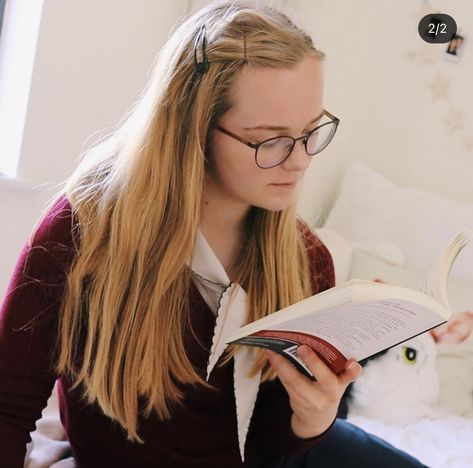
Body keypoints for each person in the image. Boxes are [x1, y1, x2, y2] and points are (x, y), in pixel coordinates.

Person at [0, 1, 428, 466]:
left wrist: (314, 415)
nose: (300, 160)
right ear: (193, 128)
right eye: (270, 139)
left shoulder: (306, 259)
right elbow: (7, 410)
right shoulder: (84, 232)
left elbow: (268, 441)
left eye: (311, 131)